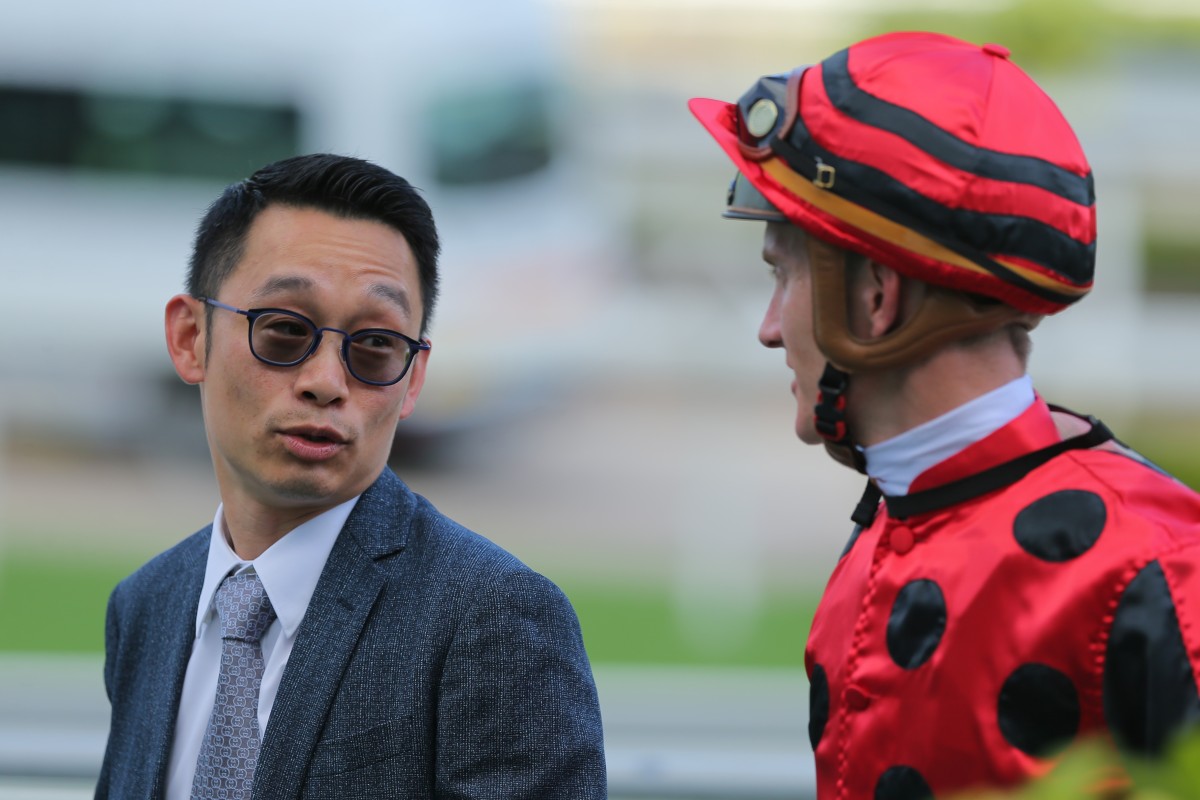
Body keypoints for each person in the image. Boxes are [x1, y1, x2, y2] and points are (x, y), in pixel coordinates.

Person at [689, 31, 1200, 799]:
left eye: (783, 273)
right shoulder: (884, 527)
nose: (768, 327)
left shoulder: (1159, 567)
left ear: (875, 296)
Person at [95, 154, 606, 799]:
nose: (326, 382)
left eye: (374, 347)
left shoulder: (491, 619)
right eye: (282, 331)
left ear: (413, 378)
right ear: (190, 337)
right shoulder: (147, 604)